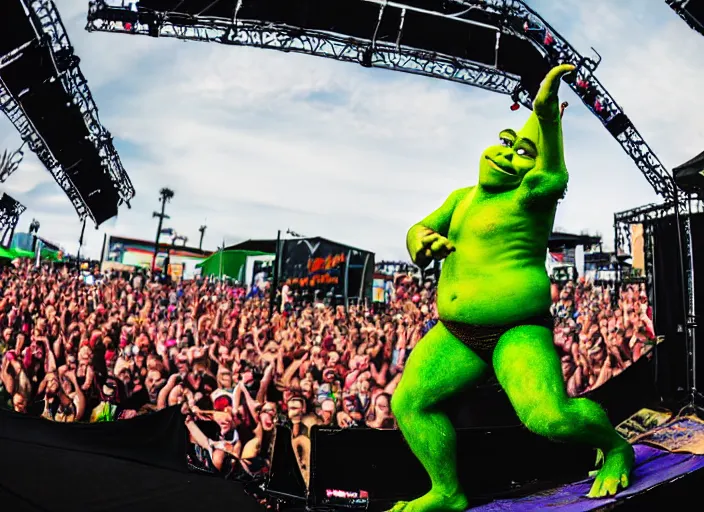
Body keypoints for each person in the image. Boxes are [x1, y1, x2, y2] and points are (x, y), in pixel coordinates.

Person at [389, 65, 634, 512]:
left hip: (517, 330)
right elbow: (419, 228)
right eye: (506, 143)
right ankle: (447, 491)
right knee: (410, 403)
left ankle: (616, 447)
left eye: (523, 153)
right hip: (455, 333)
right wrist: (420, 243)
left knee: (549, 416)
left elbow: (555, 178)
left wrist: (547, 120)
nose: (507, 155)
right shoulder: (461, 197)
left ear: (532, 168)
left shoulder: (529, 196)